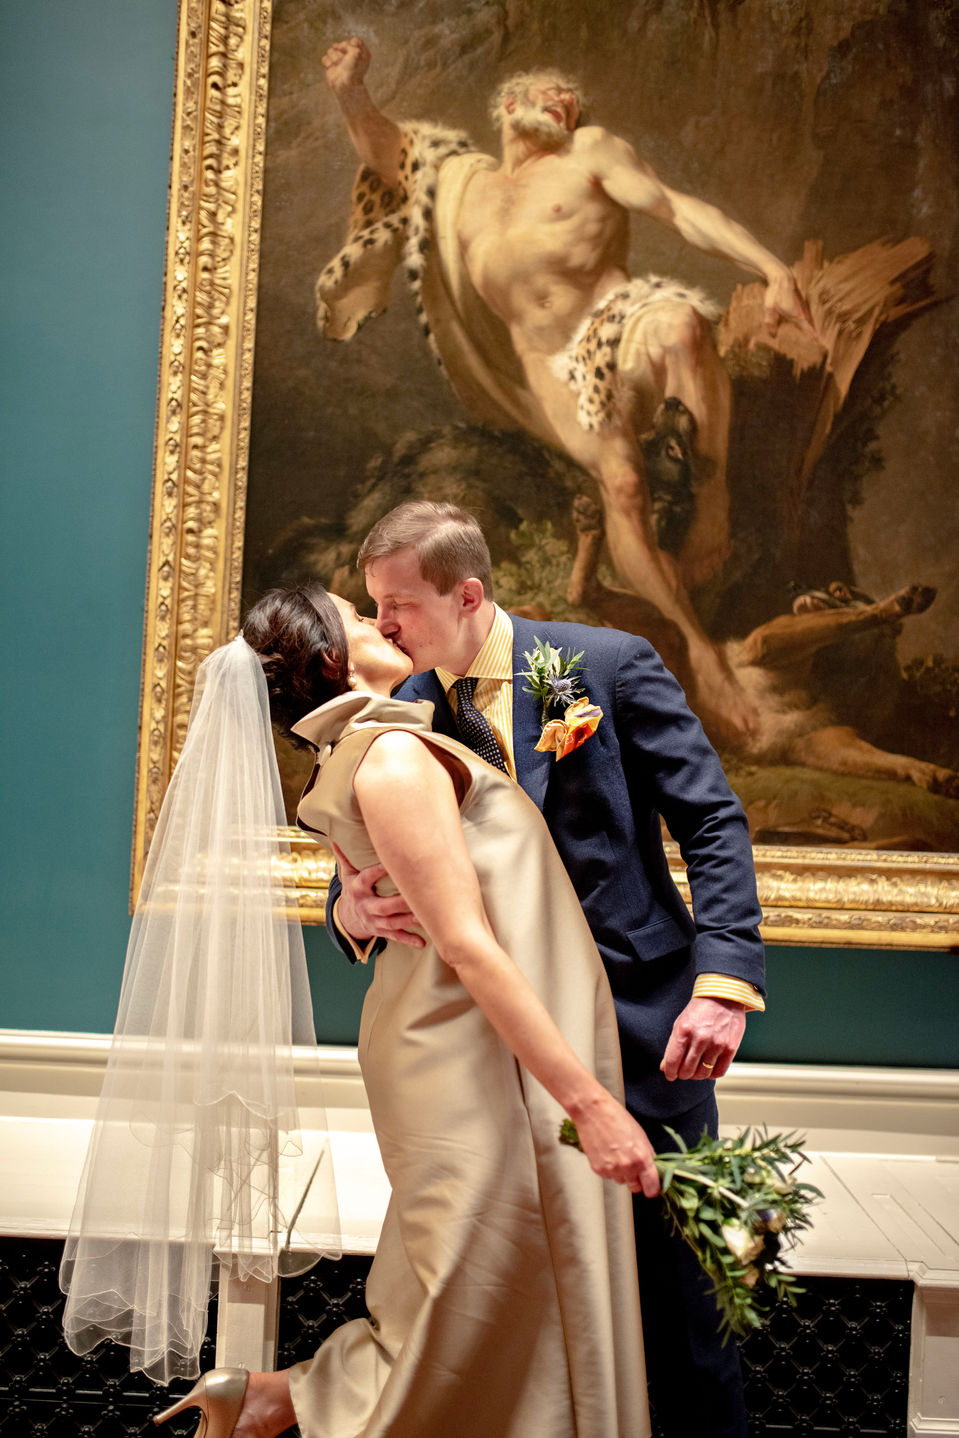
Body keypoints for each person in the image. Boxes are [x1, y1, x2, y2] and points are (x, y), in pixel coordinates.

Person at [130, 583, 658, 1437]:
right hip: (460, 1048)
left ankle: (276, 1397)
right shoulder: (391, 757)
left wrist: (350, 908)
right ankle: (304, 1396)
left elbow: (402, 898)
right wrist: (591, 1106)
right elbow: (467, 944)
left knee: (489, 1285)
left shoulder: (363, 750)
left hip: (456, 1039)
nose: (384, 623)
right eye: (360, 616)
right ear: (331, 660)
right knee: (469, 1284)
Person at [328, 501, 767, 1438]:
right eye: (377, 607)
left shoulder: (602, 666)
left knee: (683, 1312)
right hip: (490, 1059)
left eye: (399, 605)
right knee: (529, 1313)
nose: (387, 626)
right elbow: (371, 884)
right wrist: (351, 911)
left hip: (643, 1032)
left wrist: (722, 984)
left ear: (470, 593)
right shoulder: (401, 723)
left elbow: (713, 824)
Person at [317, 38, 816, 743]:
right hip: (553, 368)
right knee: (623, 488)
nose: (563, 102)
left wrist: (771, 269)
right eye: (548, 91)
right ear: (508, 106)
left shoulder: (589, 154)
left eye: (570, 99)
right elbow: (383, 148)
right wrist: (349, 92)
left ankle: (711, 496)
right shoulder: (461, 184)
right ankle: (698, 648)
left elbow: (676, 210)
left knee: (678, 325)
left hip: (621, 321)